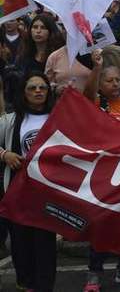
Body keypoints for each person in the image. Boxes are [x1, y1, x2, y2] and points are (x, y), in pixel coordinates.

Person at [81, 50, 120, 290]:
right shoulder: (96, 103)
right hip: (103, 173)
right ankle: (94, 273)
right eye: (109, 80)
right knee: (101, 224)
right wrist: (96, 69)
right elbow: (86, 95)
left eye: (117, 79)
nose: (115, 84)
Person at [0, 71, 58, 291]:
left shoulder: (58, 116)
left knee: (45, 247)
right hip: (19, 194)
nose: (38, 91)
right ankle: (26, 284)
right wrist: (5, 154)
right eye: (32, 88)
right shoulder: (10, 120)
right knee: (21, 245)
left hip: (48, 194)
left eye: (42, 87)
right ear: (23, 93)